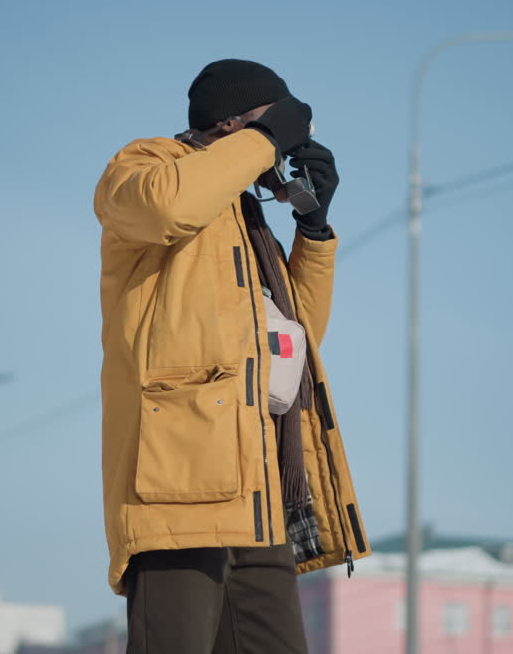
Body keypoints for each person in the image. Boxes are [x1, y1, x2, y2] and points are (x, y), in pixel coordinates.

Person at [95, 59, 369, 653]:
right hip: (181, 485)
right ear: (231, 125)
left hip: (258, 488)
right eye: (287, 126)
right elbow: (167, 208)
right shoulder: (144, 168)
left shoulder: (246, 220)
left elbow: (294, 348)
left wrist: (313, 228)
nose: (292, 143)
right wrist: (266, 138)